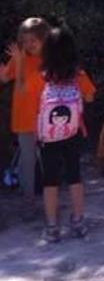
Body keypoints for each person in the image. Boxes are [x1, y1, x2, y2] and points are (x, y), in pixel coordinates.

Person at [36, 26, 96, 243]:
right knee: (74, 176)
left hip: (47, 136)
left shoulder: (42, 76)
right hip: (72, 133)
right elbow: (89, 98)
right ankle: (78, 221)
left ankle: (52, 227)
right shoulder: (78, 75)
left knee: (49, 181)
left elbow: (35, 105)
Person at [0, 17, 51, 213]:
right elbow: (8, 79)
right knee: (27, 161)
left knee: (48, 160)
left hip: (47, 120)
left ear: (44, 39)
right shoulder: (20, 57)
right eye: (25, 40)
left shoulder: (52, 59)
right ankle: (28, 202)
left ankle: (49, 201)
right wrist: (14, 65)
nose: (29, 44)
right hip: (24, 118)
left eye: (33, 40)